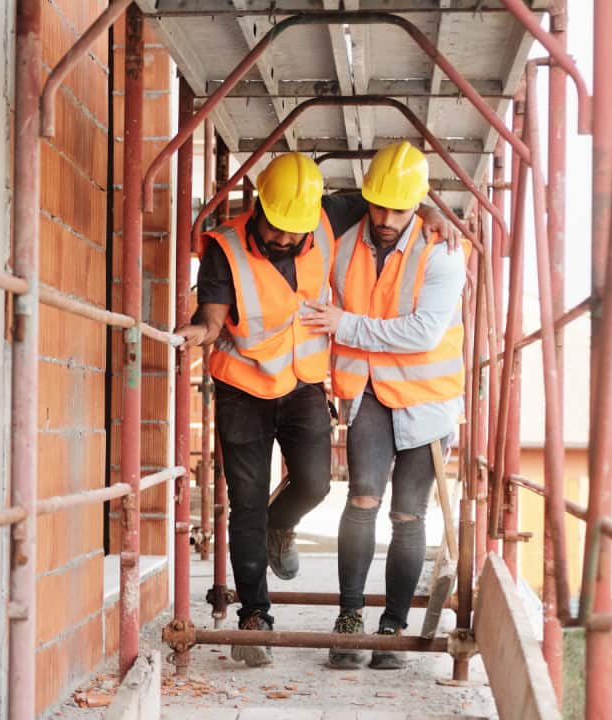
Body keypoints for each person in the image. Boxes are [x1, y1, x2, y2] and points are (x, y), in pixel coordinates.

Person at [175, 152, 458, 667]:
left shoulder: (330, 214)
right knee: (246, 504)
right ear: (259, 206)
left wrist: (435, 214)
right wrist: (200, 330)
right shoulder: (226, 247)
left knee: (316, 483)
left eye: (296, 230)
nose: (287, 239)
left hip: (304, 383)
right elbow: (213, 315)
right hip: (242, 387)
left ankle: (281, 526)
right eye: (278, 228)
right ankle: (254, 619)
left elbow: (396, 205)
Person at [300, 141, 468, 670]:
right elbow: (303, 215)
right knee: (364, 499)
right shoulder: (345, 234)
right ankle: (349, 618)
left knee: (407, 513)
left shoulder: (441, 251)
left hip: (427, 400)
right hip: (369, 388)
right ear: (365, 198)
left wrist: (343, 325)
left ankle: (391, 628)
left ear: (419, 202)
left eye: (400, 208)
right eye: (379, 206)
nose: (388, 218)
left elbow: (423, 332)